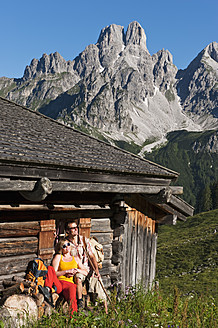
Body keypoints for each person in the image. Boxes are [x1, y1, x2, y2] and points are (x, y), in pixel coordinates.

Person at [43, 238, 88, 315]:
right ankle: (47, 289)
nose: (67, 247)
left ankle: (73, 318)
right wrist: (66, 272)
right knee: (50, 268)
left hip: (69, 283)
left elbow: (86, 272)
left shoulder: (76, 259)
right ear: (61, 249)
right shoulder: (59, 257)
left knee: (72, 293)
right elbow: (54, 273)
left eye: (68, 244)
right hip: (59, 283)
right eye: (64, 246)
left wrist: (77, 270)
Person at [65, 220, 101, 309]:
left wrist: (96, 269)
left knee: (98, 283)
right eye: (72, 228)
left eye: (76, 227)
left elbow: (92, 256)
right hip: (74, 269)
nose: (75, 229)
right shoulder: (66, 244)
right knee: (78, 277)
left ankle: (104, 307)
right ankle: (80, 302)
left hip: (86, 268)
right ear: (68, 231)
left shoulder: (84, 241)